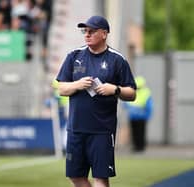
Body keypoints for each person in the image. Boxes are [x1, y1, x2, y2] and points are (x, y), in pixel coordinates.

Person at [56, 15, 136, 187]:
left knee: (100, 178)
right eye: (85, 31)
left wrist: (114, 89)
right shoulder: (74, 55)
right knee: (75, 177)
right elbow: (61, 88)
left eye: (92, 31)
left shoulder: (117, 59)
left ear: (104, 34)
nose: (87, 34)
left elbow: (132, 93)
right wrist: (77, 84)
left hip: (102, 130)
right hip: (76, 128)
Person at [124, 76, 153, 152]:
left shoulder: (145, 92)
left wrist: (147, 115)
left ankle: (141, 147)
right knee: (135, 132)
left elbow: (149, 105)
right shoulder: (135, 91)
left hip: (141, 116)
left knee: (140, 132)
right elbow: (126, 103)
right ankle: (136, 146)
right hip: (134, 116)